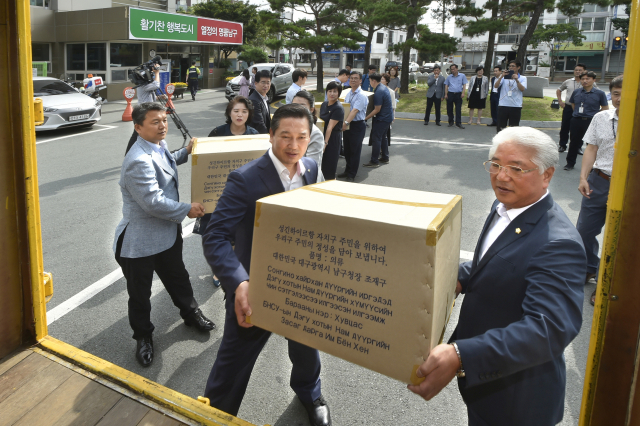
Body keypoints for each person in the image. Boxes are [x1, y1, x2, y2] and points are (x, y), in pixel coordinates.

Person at [408, 126, 586, 426]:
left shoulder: (558, 244)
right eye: (496, 164)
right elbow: (492, 261)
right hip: (485, 392)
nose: (502, 176)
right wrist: (459, 276)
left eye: (517, 168)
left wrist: (461, 354)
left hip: (518, 401)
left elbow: (549, 329)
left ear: (547, 175)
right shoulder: (505, 204)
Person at [201, 104, 330, 426]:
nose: (293, 145)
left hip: (302, 285)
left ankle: (310, 393)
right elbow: (215, 235)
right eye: (285, 136)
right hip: (254, 288)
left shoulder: (312, 170)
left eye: (302, 137)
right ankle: (214, 412)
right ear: (271, 135)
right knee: (234, 361)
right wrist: (239, 282)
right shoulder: (245, 178)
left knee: (305, 348)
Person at [113, 103, 215, 367]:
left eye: (164, 120)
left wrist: (186, 152)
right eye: (155, 122)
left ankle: (191, 313)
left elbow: (167, 159)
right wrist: (187, 209)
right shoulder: (137, 160)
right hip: (140, 240)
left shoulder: (156, 145)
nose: (162, 126)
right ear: (138, 127)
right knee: (140, 294)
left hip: (166, 234)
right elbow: (153, 202)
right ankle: (143, 337)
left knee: (178, 278)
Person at [576, 75, 622, 305]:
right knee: (584, 230)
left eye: (625, 93)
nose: (620, 98)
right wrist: (584, 177)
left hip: (628, 186)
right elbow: (591, 148)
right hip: (600, 180)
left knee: (620, 237)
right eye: (616, 94)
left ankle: (607, 284)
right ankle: (588, 268)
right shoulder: (601, 117)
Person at [564, 71, 609, 171]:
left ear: (594, 80)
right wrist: (577, 113)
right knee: (574, 142)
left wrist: (596, 117)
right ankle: (570, 163)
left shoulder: (600, 93)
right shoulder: (577, 92)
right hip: (576, 120)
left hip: (591, 121)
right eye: (583, 79)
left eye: (587, 79)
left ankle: (593, 166)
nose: (585, 81)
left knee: (592, 144)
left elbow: (605, 108)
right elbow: (573, 105)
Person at [125, 62, 164, 155]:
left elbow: (150, 97)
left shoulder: (145, 85)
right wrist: (157, 73)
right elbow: (156, 85)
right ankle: (129, 154)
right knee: (138, 135)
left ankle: (131, 153)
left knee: (140, 135)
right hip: (143, 113)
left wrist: (160, 97)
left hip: (145, 112)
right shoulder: (143, 85)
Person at [557, 64, 597, 153]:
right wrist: (560, 101)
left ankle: (578, 147)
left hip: (582, 109)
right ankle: (562, 145)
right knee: (565, 127)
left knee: (580, 129)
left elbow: (597, 93)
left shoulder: (590, 82)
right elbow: (559, 90)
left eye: (580, 70)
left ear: (584, 72)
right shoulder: (568, 81)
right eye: (576, 70)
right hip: (568, 107)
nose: (578, 72)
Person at [337, 71, 369, 182]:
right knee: (347, 150)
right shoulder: (349, 93)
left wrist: (345, 123)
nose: (353, 80)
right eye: (351, 78)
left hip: (356, 125)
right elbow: (346, 109)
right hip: (348, 124)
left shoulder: (361, 95)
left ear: (360, 81)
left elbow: (354, 110)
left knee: (355, 151)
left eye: (356, 78)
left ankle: (352, 174)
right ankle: (347, 170)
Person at [363, 73, 393, 168]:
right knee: (383, 137)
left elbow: (377, 109)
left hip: (382, 119)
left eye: (370, 81)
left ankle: (374, 161)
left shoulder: (379, 91)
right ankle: (385, 157)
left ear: (373, 81)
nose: (369, 83)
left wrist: (365, 118)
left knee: (376, 139)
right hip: (387, 117)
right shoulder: (383, 87)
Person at [291, 90, 325, 166]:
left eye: (302, 106)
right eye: (294, 105)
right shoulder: (288, 128)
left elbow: (311, 168)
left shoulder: (315, 134)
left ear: (311, 110)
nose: (297, 109)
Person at [320, 81, 345, 179]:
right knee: (321, 165)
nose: (332, 94)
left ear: (339, 93)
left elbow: (330, 128)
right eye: (329, 91)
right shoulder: (324, 104)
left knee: (329, 166)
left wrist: (325, 144)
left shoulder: (338, 108)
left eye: (335, 91)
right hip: (322, 135)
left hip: (332, 139)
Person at [494, 60, 527, 133]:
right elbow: (496, 86)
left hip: (515, 106)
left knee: (514, 128)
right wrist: (501, 76)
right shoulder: (503, 77)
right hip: (503, 105)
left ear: (518, 67)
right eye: (510, 66)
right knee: (501, 128)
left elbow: (522, 89)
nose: (511, 67)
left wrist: (516, 79)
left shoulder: (522, 78)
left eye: (513, 66)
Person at [248, 70, 272, 134]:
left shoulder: (264, 98)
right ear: (256, 83)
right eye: (263, 82)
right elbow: (259, 124)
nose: (266, 85)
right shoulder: (254, 100)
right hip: (258, 137)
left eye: (268, 82)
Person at [444, 64, 468, 129]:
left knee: (458, 109)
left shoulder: (462, 76)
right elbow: (446, 85)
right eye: (451, 69)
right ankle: (451, 122)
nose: (453, 70)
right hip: (451, 94)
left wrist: (463, 93)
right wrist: (446, 94)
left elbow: (464, 85)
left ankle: (458, 123)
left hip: (458, 94)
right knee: (449, 109)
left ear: (457, 69)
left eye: (454, 69)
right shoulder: (449, 77)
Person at [380, 73, 396, 145]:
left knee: (385, 134)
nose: (380, 80)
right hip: (378, 115)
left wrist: (393, 116)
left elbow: (393, 106)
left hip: (386, 116)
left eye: (382, 79)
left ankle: (383, 149)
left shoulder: (391, 92)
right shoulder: (377, 89)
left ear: (386, 81)